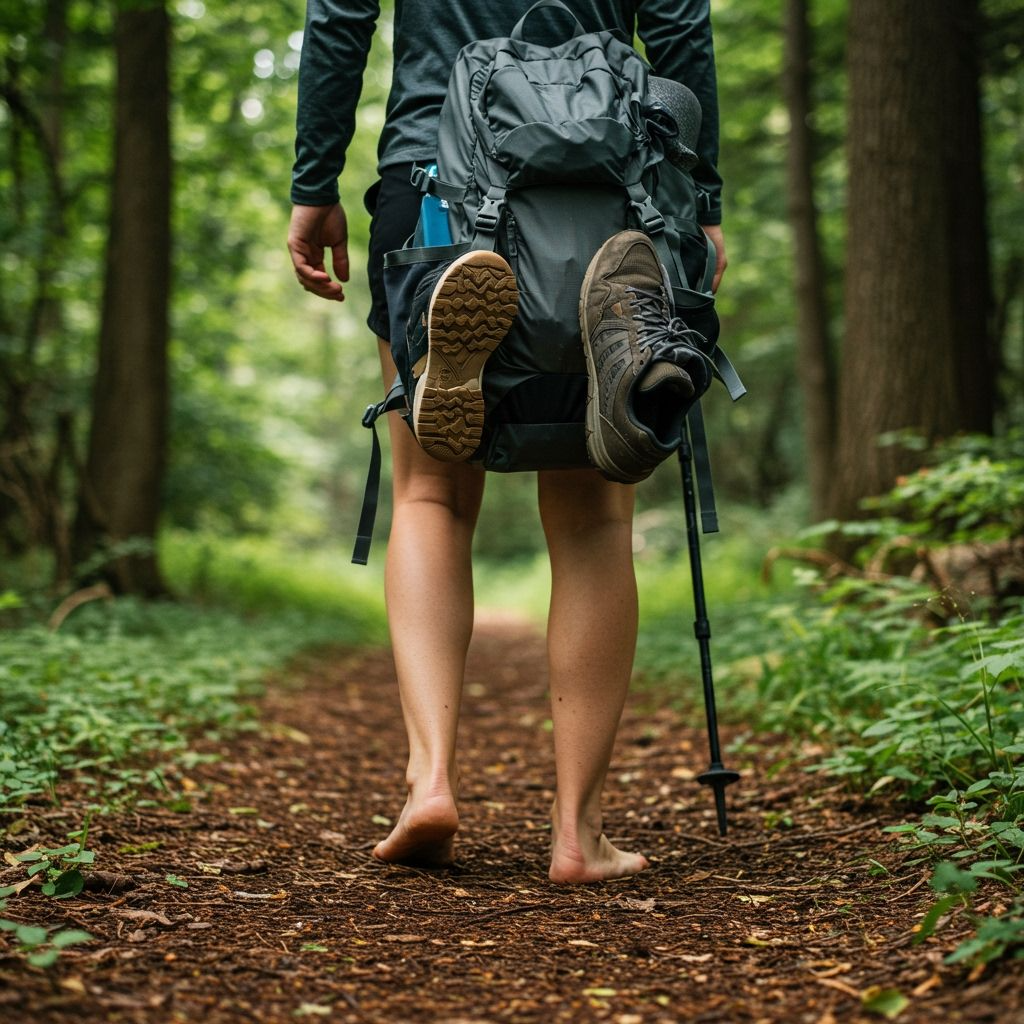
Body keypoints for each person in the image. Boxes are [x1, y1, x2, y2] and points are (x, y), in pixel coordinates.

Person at [287, 0, 727, 883]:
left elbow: (339, 15)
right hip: (605, 179)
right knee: (596, 510)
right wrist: (701, 197)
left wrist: (314, 183)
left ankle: (432, 782)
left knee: (430, 494)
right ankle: (577, 833)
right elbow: (679, 24)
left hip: (434, 168)